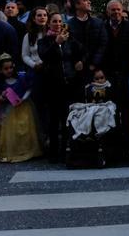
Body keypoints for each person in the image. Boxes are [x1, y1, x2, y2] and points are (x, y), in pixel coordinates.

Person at [37, 12, 83, 161]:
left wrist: (80, 61)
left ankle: (66, 149)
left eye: (59, 22)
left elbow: (82, 51)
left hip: (69, 84)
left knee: (66, 119)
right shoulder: (44, 41)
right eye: (54, 22)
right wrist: (56, 42)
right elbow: (44, 56)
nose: (57, 24)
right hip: (52, 85)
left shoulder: (70, 39)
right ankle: (53, 152)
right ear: (49, 24)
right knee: (53, 120)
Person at [0, 53, 41, 163]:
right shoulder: (1, 83)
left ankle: (26, 149)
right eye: (6, 69)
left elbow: (29, 89)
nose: (9, 70)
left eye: (11, 67)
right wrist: (2, 96)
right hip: (10, 110)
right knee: (12, 131)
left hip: (24, 107)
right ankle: (13, 150)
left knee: (25, 129)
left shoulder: (21, 78)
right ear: (1, 70)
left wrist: (23, 99)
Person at [101, 0, 129, 132]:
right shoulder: (102, 27)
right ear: (107, 12)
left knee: (126, 106)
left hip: (126, 71)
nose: (116, 12)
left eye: (118, 10)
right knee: (111, 106)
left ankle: (127, 136)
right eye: (113, 10)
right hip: (108, 72)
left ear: (122, 11)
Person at [65, 0, 108, 88]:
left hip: (95, 70)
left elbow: (103, 44)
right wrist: (76, 61)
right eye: (85, 0)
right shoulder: (68, 25)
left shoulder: (98, 23)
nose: (89, 2)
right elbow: (67, 46)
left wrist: (94, 63)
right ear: (77, 5)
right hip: (76, 70)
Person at [21, 7, 48, 72]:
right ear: (33, 19)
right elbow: (25, 55)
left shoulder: (52, 33)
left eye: (45, 15)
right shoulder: (28, 36)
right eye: (39, 15)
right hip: (36, 70)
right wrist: (34, 65)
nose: (42, 17)